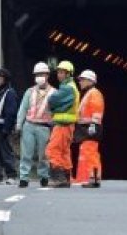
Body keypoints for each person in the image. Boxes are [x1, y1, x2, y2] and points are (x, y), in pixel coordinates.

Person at [16, 62, 56, 188]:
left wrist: (55, 126)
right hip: (29, 125)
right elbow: (23, 108)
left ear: (47, 75)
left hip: (45, 127)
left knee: (43, 155)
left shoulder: (54, 93)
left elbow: (56, 111)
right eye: (37, 74)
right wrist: (18, 125)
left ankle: (44, 176)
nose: (40, 76)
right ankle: (24, 177)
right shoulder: (30, 91)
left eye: (42, 74)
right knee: (26, 153)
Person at [46, 60, 80, 188]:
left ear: (68, 74)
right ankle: (66, 177)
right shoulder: (72, 87)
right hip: (68, 125)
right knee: (64, 151)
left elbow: (53, 100)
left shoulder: (67, 88)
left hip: (62, 124)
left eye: (62, 73)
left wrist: (52, 103)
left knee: (53, 150)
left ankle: (58, 178)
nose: (59, 75)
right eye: (58, 72)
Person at [74, 69, 105, 188]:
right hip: (87, 127)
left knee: (90, 152)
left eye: (82, 80)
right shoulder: (90, 93)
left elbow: (96, 112)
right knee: (87, 152)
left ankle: (94, 178)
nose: (80, 82)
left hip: (91, 127)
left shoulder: (94, 93)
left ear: (89, 81)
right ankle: (87, 178)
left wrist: (93, 126)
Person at [0, 68, 18, 185]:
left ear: (6, 80)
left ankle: (11, 175)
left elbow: (11, 113)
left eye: (0, 78)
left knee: (6, 152)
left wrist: (7, 128)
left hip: (4, 127)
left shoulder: (9, 93)